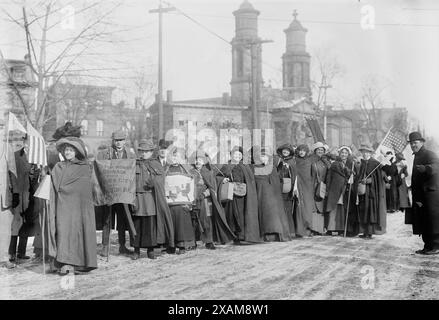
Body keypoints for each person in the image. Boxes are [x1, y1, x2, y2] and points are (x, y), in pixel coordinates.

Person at [51, 137, 97, 275]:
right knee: (64, 232)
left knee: (79, 232)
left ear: (76, 152)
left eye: (71, 150)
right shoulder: (58, 167)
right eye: (66, 150)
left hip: (81, 208)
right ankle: (65, 262)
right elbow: (53, 185)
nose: (68, 152)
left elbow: (90, 187)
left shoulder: (85, 167)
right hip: (63, 207)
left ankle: (81, 263)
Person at [96, 130, 136, 257]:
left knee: (123, 219)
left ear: (125, 141)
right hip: (109, 191)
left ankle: (122, 245)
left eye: (121, 140)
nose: (119, 143)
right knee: (107, 219)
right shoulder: (105, 153)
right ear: (113, 141)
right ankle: (105, 246)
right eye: (116, 140)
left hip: (123, 192)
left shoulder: (130, 153)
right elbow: (100, 168)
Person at [189, 151, 235, 249]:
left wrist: (204, 194)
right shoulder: (190, 172)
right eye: (196, 160)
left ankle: (208, 241)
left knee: (206, 221)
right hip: (193, 200)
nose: (198, 162)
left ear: (204, 161)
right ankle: (193, 242)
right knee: (193, 221)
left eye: (200, 160)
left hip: (205, 200)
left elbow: (212, 187)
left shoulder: (208, 173)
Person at [218, 146, 262, 244]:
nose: (237, 156)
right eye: (235, 154)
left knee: (243, 215)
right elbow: (218, 176)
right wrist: (223, 180)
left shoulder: (245, 166)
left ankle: (243, 235)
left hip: (243, 196)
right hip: (231, 196)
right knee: (232, 215)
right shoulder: (227, 166)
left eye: (239, 154)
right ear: (231, 155)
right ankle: (234, 236)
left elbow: (251, 180)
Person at [9, 135, 39, 262]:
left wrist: (36, 171)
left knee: (27, 222)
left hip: (31, 194)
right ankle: (11, 253)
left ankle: (21, 252)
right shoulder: (15, 156)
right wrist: (15, 193)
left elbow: (34, 176)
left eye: (28, 142)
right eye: (24, 142)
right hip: (19, 194)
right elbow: (12, 175)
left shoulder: (35, 158)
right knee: (17, 223)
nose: (26, 144)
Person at [408, 132, 439, 255]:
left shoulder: (429, 154)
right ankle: (427, 245)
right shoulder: (417, 155)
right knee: (423, 220)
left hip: (431, 194)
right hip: (420, 194)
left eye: (415, 143)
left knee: (433, 220)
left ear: (422, 142)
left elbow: (437, 166)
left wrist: (427, 168)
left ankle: (436, 246)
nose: (413, 145)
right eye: (411, 143)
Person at [253, 146, 290, 242]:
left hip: (274, 198)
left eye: (265, 156)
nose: (263, 158)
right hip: (262, 197)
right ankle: (266, 236)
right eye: (262, 156)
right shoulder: (255, 168)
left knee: (275, 217)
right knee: (265, 217)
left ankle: (277, 235)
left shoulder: (272, 168)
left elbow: (276, 182)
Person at [131, 140, 159, 260]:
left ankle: (150, 250)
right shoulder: (134, 164)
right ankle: (136, 250)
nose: (144, 154)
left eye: (146, 152)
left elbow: (160, 181)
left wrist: (155, 183)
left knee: (149, 224)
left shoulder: (155, 164)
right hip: (137, 197)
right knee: (137, 224)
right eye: (142, 151)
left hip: (149, 198)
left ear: (151, 152)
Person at [165, 147, 196, 254]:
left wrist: (191, 201)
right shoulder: (166, 169)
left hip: (183, 203)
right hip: (169, 203)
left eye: (177, 156)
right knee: (170, 224)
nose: (174, 158)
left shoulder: (186, 169)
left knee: (182, 225)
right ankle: (171, 245)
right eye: (172, 156)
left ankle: (183, 246)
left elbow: (192, 184)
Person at [354, 143, 386, 239]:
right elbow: (359, 175)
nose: (365, 154)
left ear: (370, 153)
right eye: (363, 152)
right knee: (363, 211)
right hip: (362, 192)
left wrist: (369, 181)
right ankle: (364, 231)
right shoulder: (362, 163)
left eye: (367, 152)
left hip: (371, 192)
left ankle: (370, 232)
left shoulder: (375, 163)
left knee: (370, 212)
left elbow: (379, 179)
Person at [324, 146, 358, 236]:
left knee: (343, 208)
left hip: (346, 189)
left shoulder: (352, 164)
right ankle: (331, 228)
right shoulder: (335, 164)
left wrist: (352, 177)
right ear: (339, 154)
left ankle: (342, 228)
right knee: (333, 207)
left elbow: (355, 175)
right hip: (335, 188)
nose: (344, 154)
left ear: (348, 154)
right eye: (342, 153)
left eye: (345, 153)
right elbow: (329, 176)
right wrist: (328, 188)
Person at [276, 143, 296, 238]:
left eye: (287, 151)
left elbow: (294, 175)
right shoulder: (278, 160)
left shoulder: (292, 162)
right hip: (278, 187)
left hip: (287, 188)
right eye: (284, 150)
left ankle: (289, 230)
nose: (285, 152)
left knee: (287, 209)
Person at [310, 142, 330, 235]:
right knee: (314, 208)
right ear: (315, 151)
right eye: (318, 150)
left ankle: (321, 228)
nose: (320, 151)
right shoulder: (311, 160)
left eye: (322, 150)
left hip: (322, 187)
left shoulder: (325, 162)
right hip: (313, 186)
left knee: (321, 207)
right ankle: (313, 228)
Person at [294, 144, 314, 237]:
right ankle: (299, 229)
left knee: (307, 207)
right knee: (298, 207)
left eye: (303, 150)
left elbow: (312, 175)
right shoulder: (295, 161)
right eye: (300, 150)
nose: (301, 152)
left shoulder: (309, 161)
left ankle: (308, 228)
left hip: (307, 187)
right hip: (297, 186)